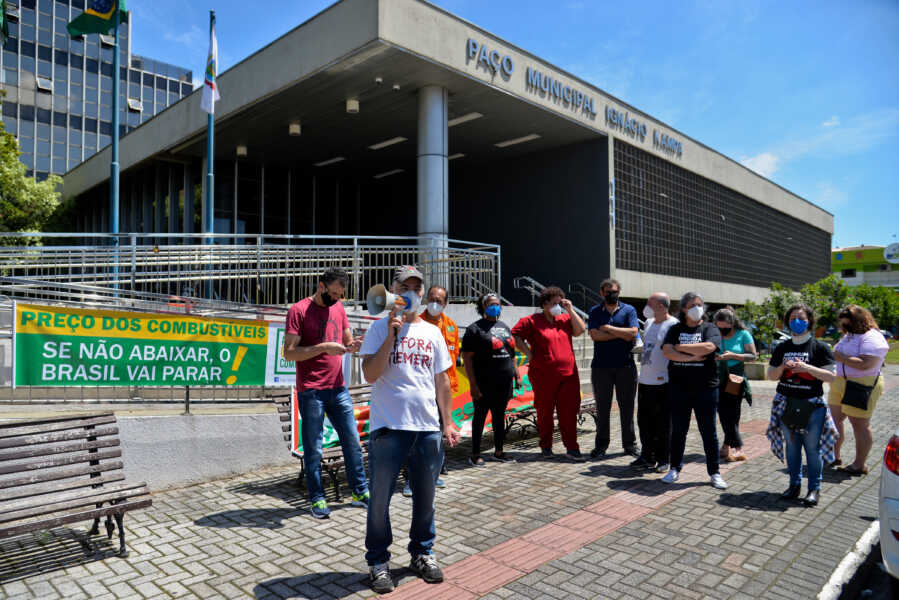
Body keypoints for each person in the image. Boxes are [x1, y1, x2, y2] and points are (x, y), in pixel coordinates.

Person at [359, 265, 460, 594]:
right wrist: (391, 333)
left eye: (417, 287)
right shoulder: (378, 329)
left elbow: (442, 380)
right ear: (393, 289)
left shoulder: (432, 333)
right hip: (389, 428)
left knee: (426, 498)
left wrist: (447, 422)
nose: (412, 293)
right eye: (406, 286)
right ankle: (377, 561)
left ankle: (422, 553)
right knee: (380, 501)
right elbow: (371, 375)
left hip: (427, 429)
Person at [284, 267, 368, 519]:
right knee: (314, 448)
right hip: (311, 390)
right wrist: (322, 348)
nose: (336, 299)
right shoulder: (298, 310)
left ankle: (360, 491)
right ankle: (317, 498)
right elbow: (288, 353)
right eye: (332, 293)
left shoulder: (339, 307)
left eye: (340, 294)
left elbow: (346, 341)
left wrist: (354, 345)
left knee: (352, 441)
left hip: (338, 387)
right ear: (321, 286)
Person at [766, 304, 837, 506]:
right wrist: (782, 366)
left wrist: (806, 367)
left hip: (812, 407)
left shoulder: (820, 347)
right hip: (786, 404)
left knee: (812, 449)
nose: (797, 321)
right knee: (792, 447)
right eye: (793, 317)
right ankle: (794, 485)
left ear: (809, 321)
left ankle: (814, 488)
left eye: (802, 317)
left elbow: (831, 377)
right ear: (788, 321)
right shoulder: (782, 347)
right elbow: (771, 376)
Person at [661, 292, 727, 489]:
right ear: (683, 309)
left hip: (706, 389)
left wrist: (680, 348)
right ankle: (674, 468)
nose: (697, 308)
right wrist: (690, 357)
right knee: (679, 430)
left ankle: (714, 472)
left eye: (700, 304)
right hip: (679, 388)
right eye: (692, 305)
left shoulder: (710, 328)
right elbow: (666, 351)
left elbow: (709, 347)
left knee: (709, 431)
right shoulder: (675, 328)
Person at [512, 286, 587, 461]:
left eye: (560, 303)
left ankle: (572, 448)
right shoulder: (531, 320)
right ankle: (546, 446)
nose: (558, 306)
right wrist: (528, 354)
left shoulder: (564, 319)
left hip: (568, 375)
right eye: (555, 303)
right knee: (545, 412)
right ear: (545, 304)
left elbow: (581, 330)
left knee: (568, 412)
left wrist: (570, 309)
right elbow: (514, 335)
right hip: (543, 375)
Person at [829, 305, 889, 475]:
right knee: (833, 422)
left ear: (860, 321)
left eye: (849, 324)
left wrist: (841, 357)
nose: (845, 328)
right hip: (840, 382)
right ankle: (834, 456)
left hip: (861, 384)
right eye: (844, 325)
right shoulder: (850, 335)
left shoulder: (873, 337)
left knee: (860, 426)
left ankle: (859, 464)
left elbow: (865, 364)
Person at [461, 293, 520, 466]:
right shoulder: (474, 329)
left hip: (504, 383)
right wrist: (473, 384)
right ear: (483, 307)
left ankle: (499, 451)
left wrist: (516, 374)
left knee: (499, 417)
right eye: (490, 304)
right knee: (480, 417)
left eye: (497, 304)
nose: (494, 306)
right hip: (484, 383)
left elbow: (512, 354)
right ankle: (475, 454)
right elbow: (467, 358)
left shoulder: (504, 327)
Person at [588, 278, 641, 460]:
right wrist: (621, 334)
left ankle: (630, 445)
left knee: (627, 407)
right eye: (609, 291)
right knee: (602, 408)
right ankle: (601, 445)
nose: (612, 294)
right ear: (602, 293)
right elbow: (595, 335)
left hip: (625, 366)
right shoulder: (595, 311)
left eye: (615, 291)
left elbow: (634, 333)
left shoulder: (629, 310)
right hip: (601, 367)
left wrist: (609, 328)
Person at [635, 292, 679, 473]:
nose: (646, 306)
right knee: (644, 422)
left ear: (660, 306)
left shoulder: (674, 325)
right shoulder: (649, 322)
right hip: (645, 380)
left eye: (649, 303)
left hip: (664, 383)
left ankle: (664, 459)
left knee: (663, 423)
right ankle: (647, 456)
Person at [713, 307, 757, 463]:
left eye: (725, 326)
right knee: (723, 412)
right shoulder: (714, 334)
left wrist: (733, 356)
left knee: (732, 413)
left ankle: (730, 447)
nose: (722, 330)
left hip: (735, 378)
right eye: (719, 327)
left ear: (732, 323)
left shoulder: (743, 334)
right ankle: (734, 446)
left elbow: (752, 356)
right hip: (717, 377)